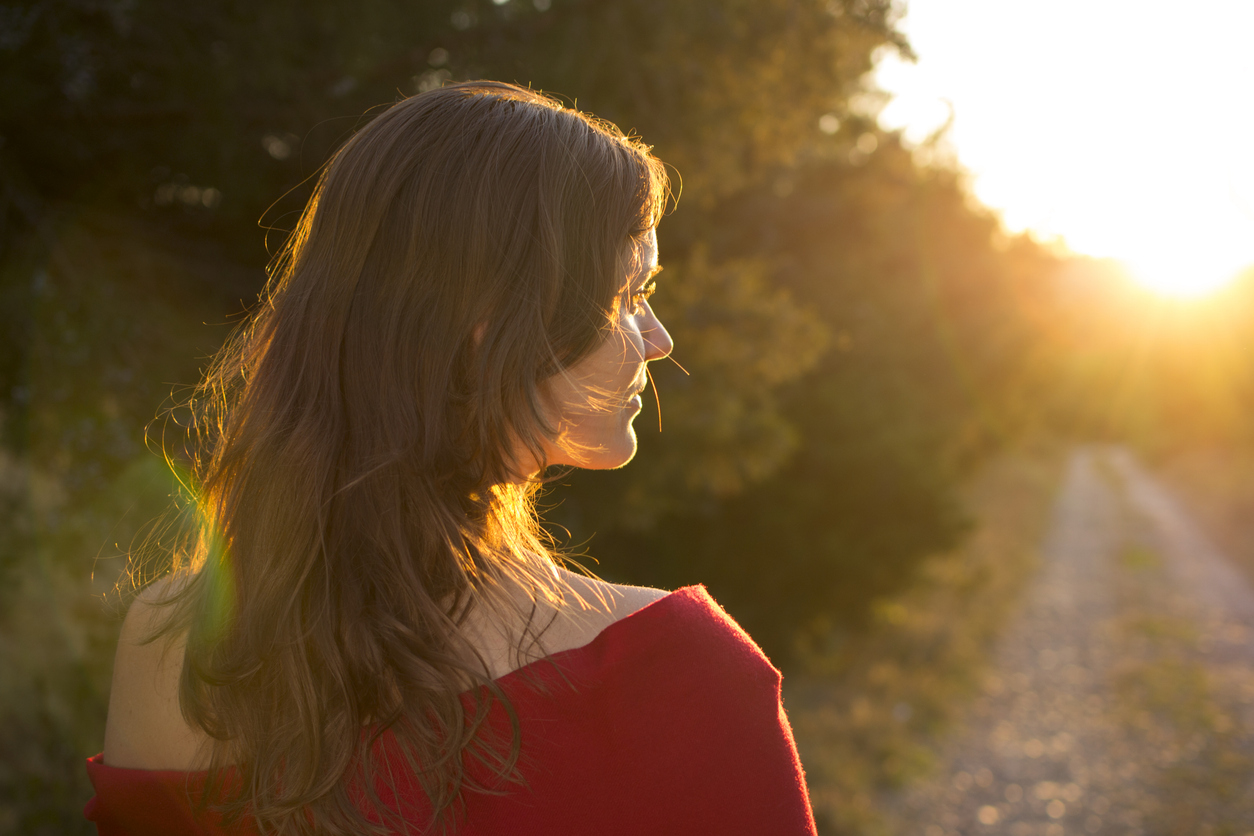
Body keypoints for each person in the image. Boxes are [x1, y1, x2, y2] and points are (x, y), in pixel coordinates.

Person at [85, 81, 817, 836]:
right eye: (630, 296)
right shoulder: (673, 669)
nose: (658, 339)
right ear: (488, 326)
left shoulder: (168, 640)